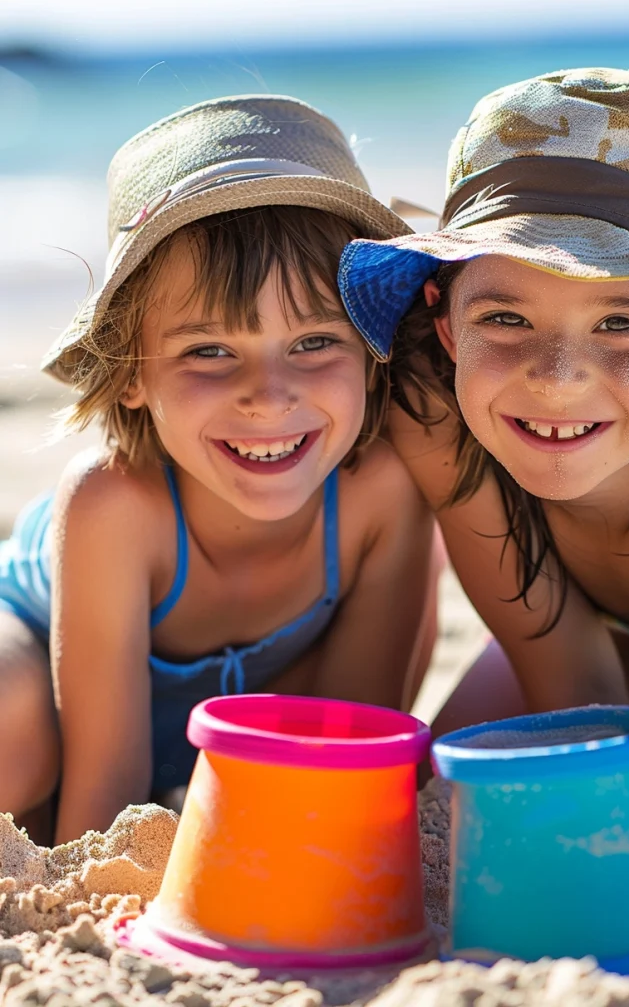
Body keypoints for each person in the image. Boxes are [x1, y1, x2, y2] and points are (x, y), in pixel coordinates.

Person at [338, 67, 629, 761]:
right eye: (504, 317)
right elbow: (564, 678)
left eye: (619, 323)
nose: (556, 381)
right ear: (446, 329)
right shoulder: (435, 408)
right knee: (435, 770)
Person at [0, 95, 436, 843]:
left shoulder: (382, 492)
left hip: (251, 701)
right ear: (131, 371)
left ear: (374, 352)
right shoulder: (115, 503)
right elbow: (104, 806)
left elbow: (353, 737)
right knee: (13, 730)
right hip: (54, 679)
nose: (268, 396)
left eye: (313, 344)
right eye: (209, 351)